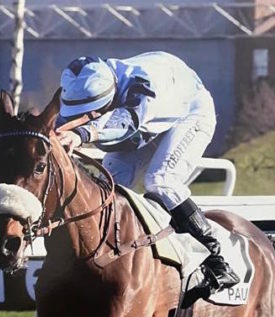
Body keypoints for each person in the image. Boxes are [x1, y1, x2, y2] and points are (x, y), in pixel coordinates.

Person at [55, 52, 240, 293]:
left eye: (91, 114)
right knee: (108, 186)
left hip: (188, 112)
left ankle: (219, 260)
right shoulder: (87, 84)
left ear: (108, 100)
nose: (84, 120)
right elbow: (64, 122)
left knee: (161, 181)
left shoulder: (144, 88)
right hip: (145, 121)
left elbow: (126, 123)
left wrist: (82, 135)